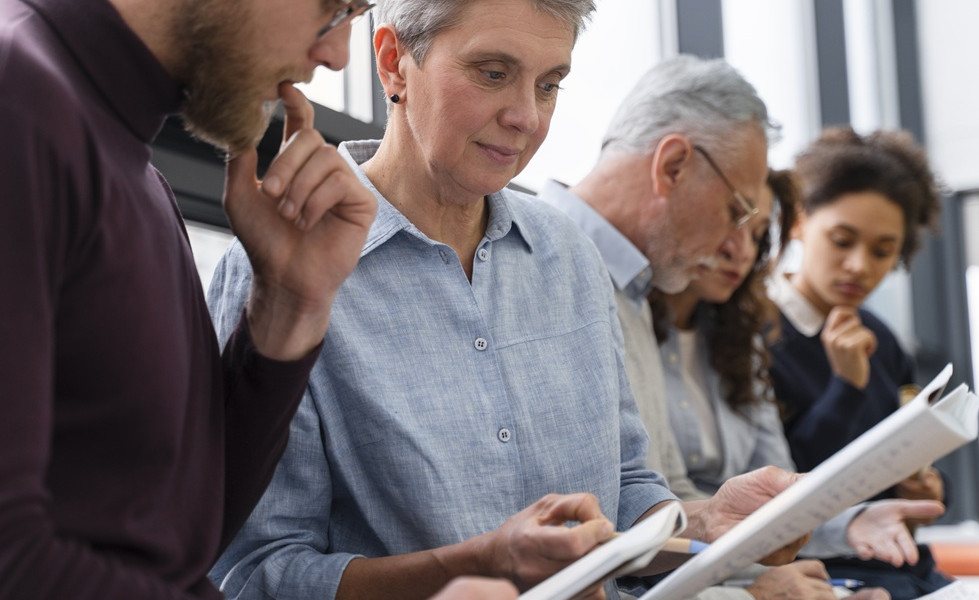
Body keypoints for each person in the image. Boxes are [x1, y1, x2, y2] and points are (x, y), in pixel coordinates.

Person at [207, 7, 806, 600]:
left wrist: (706, 525)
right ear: (393, 64)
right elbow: (257, 573)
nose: (526, 117)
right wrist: (483, 567)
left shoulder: (568, 254)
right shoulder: (285, 270)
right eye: (493, 72)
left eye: (549, 85)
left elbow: (624, 487)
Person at [0, 0, 384, 598]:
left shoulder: (131, 165)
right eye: (335, 8)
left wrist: (290, 303)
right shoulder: (16, 101)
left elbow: (176, 537)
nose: (335, 55)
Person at [537, 57, 933, 600]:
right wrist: (745, 587)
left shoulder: (633, 289)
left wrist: (726, 545)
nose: (735, 246)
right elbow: (546, 532)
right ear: (672, 166)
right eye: (736, 210)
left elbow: (649, 500)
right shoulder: (543, 264)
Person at [767, 127, 950, 599]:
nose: (858, 266)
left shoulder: (880, 337)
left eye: (882, 251)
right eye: (842, 240)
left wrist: (926, 487)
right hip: (821, 577)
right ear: (799, 223)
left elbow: (899, 451)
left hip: (903, 567)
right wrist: (846, 387)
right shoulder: (756, 334)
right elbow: (782, 484)